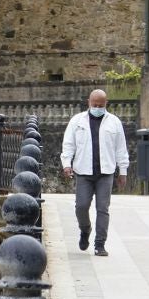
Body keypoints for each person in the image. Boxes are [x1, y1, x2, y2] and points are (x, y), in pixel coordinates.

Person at [61, 89, 130, 256]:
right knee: (81, 206)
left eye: (101, 105)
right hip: (83, 172)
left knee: (103, 208)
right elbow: (69, 144)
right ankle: (85, 230)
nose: (97, 107)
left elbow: (121, 148)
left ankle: (100, 244)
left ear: (106, 104)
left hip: (105, 173)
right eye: (95, 105)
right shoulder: (77, 121)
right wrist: (66, 164)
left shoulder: (114, 122)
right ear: (88, 103)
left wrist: (123, 171)